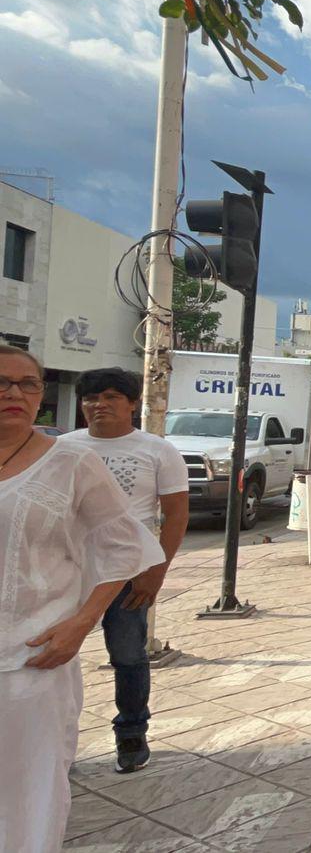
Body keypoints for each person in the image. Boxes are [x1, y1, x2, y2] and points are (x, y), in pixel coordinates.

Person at [0, 345, 165, 853]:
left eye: (29, 384)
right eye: (3, 382)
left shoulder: (71, 461)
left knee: (29, 796)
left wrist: (82, 622)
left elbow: (124, 545)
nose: (15, 393)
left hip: (32, 656)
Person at [61, 368, 189, 773]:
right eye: (91, 398)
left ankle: (131, 734)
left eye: (112, 397)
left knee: (128, 655)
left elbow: (176, 514)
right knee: (55, 656)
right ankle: (56, 740)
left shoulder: (157, 450)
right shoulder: (63, 448)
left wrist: (156, 570)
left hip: (129, 571)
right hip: (67, 570)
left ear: (133, 403)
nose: (99, 405)